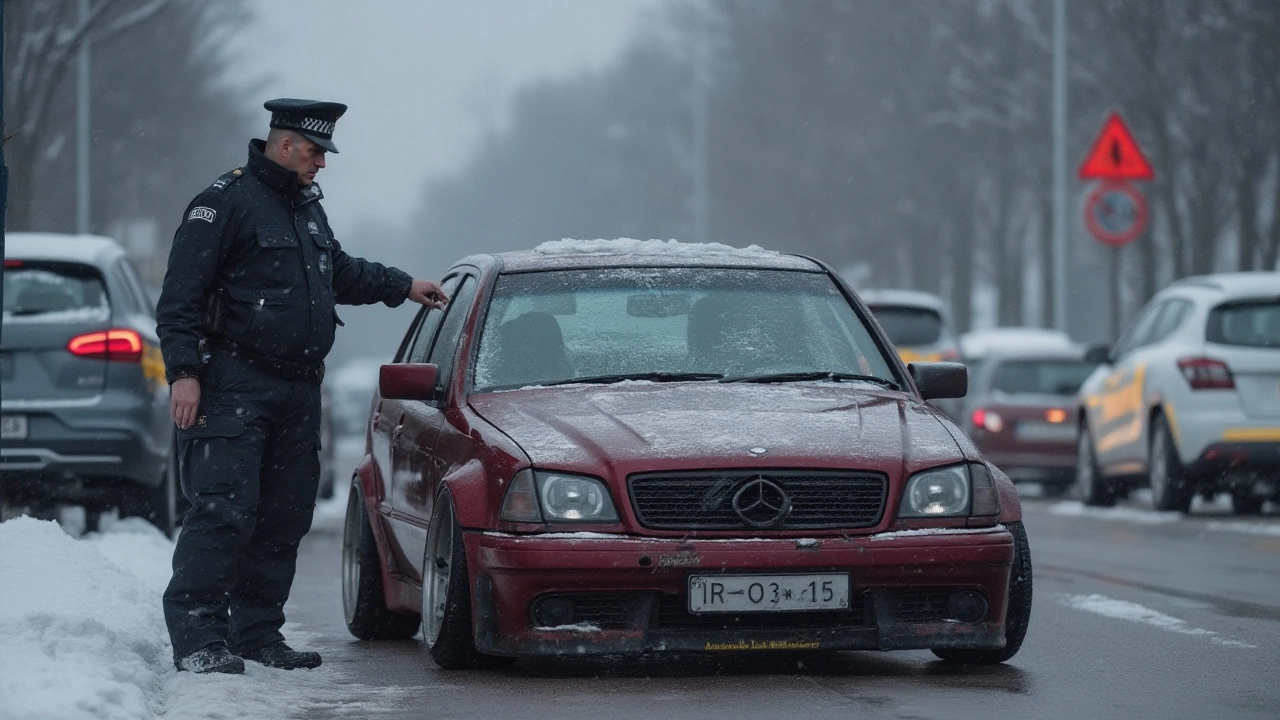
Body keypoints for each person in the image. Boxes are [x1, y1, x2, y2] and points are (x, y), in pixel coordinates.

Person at [156, 98, 448, 674]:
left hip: (296, 391)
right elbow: (180, 299)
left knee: (284, 516)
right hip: (231, 385)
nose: (323, 163)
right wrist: (184, 374)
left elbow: (336, 271)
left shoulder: (306, 207)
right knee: (223, 513)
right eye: (315, 151)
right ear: (285, 145)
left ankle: (257, 634)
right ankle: (198, 640)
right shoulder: (223, 204)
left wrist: (401, 285)